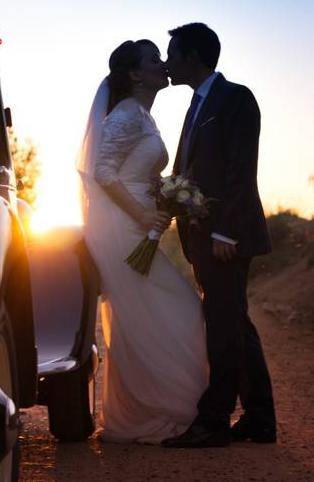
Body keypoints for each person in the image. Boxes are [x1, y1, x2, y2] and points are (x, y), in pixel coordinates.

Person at [77, 39, 208, 444]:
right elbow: (102, 172)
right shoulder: (126, 115)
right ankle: (164, 408)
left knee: (144, 319)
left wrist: (167, 193)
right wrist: (142, 213)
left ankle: (140, 411)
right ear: (134, 74)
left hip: (139, 224)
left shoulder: (143, 116)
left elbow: (136, 171)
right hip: (122, 227)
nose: (164, 65)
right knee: (180, 310)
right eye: (154, 60)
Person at [161, 23, 275, 448]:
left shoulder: (236, 98)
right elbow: (189, 169)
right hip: (202, 234)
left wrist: (225, 231)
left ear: (192, 57)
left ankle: (213, 422)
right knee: (235, 323)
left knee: (223, 326)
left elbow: (240, 169)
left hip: (226, 236)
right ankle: (261, 418)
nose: (168, 63)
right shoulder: (196, 104)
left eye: (172, 55)